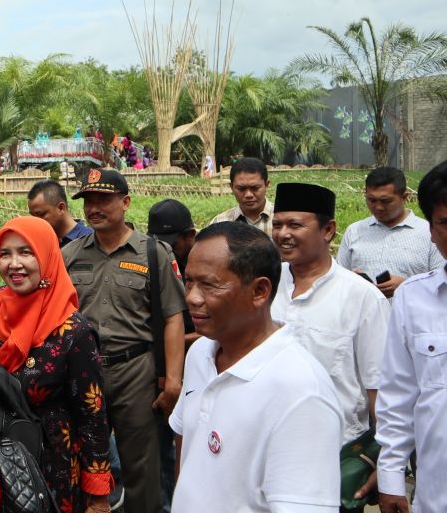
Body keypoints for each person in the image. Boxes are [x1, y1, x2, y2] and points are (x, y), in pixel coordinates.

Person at [170, 222, 341, 512]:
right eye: (189, 282)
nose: (192, 297)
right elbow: (186, 449)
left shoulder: (301, 391)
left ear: (260, 291)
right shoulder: (200, 353)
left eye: (209, 285)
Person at [0, 216, 113, 513]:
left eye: (26, 252)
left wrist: (97, 495)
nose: (13, 263)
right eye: (5, 254)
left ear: (46, 255)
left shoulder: (73, 331)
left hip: (50, 468)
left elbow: (92, 415)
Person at [62, 168, 186, 513]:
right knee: (82, 459)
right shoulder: (70, 256)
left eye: (104, 199)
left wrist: (173, 380)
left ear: (126, 202)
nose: (94, 208)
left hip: (135, 372)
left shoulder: (153, 253)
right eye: (88, 201)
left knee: (141, 467)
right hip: (83, 373)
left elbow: (174, 317)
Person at [269, 182, 391, 510]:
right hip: (267, 455)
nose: (283, 234)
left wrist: (387, 464)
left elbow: (380, 393)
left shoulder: (362, 298)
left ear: (328, 230)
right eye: (277, 224)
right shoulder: (264, 285)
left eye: (295, 224)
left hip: (331, 462)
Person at [376, 160, 447, 513]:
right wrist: (390, 476)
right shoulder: (414, 297)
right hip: (437, 493)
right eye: (446, 223)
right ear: (431, 231)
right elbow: (398, 393)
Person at [145, 198, 199, 510]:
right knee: (165, 450)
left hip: (196, 371)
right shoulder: (157, 259)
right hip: (164, 374)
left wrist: (177, 340)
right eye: (159, 243)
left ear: (190, 235)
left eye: (172, 243)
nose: (166, 249)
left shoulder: (204, 265)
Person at [336, 166, 445, 299]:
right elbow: (339, 278)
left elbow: (441, 285)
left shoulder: (429, 232)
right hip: (364, 317)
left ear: (405, 197)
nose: (378, 207)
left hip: (410, 317)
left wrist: (406, 286)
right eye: (371, 200)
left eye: (386, 201)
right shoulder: (354, 231)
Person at [209, 157, 274, 234]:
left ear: (266, 185)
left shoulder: (285, 221)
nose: (248, 195)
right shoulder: (219, 224)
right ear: (231, 187)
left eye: (255, 188)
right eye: (241, 189)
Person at [28, 179, 94, 244]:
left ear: (61, 208)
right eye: (33, 216)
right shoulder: (40, 241)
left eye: (41, 214)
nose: (35, 221)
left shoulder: (90, 240)